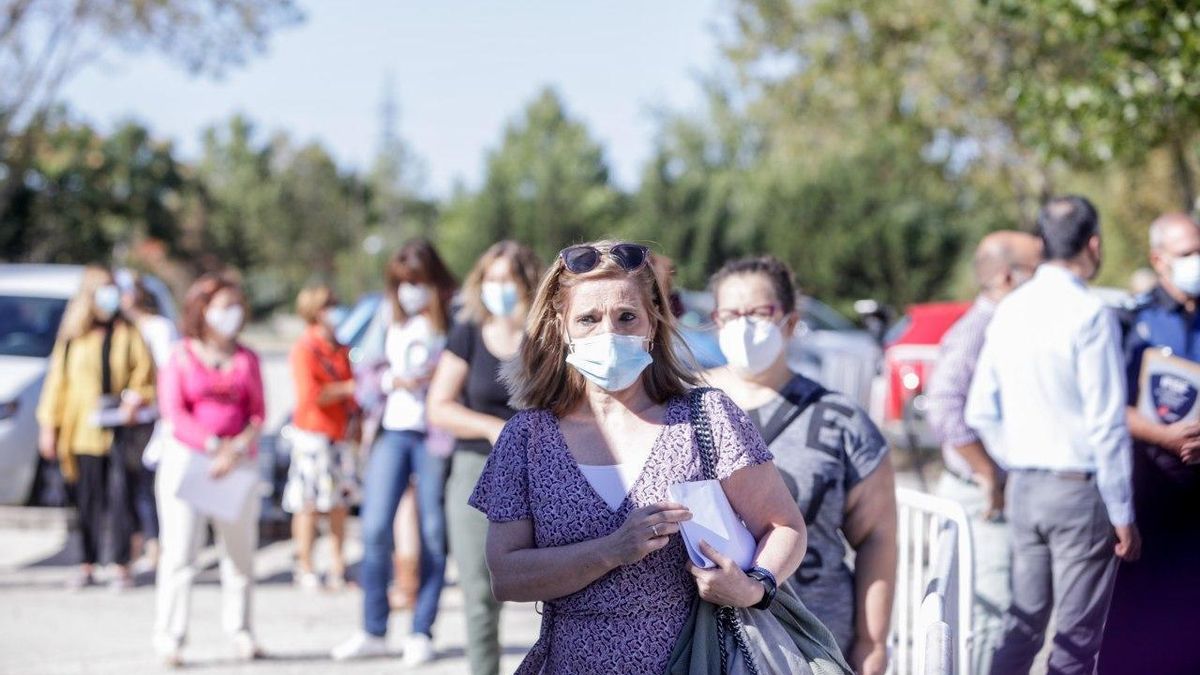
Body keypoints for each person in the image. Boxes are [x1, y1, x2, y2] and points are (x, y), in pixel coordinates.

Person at [470, 241, 808, 674]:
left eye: (626, 317)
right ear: (561, 326)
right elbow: (507, 576)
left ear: (652, 320)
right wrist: (612, 549)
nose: (608, 333)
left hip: (695, 659)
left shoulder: (705, 416)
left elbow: (784, 526)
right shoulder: (526, 438)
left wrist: (753, 586)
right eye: (588, 319)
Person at [965, 196, 1141, 675]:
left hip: (1025, 487)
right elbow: (1106, 421)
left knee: (1021, 626)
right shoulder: (1090, 312)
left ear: (1042, 244)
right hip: (1077, 489)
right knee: (1076, 639)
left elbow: (979, 409)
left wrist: (1017, 457)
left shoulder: (1009, 309)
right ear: (1094, 244)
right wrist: (1123, 510)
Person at [703, 255, 896, 675]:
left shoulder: (840, 420)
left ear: (790, 322)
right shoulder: (677, 408)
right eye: (731, 314)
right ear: (715, 321)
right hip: (704, 641)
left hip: (811, 642)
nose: (744, 325)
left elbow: (877, 539)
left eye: (759, 313)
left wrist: (871, 644)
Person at [332, 239, 457, 666]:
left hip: (434, 436)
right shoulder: (387, 318)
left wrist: (435, 377)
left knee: (433, 534)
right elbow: (362, 374)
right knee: (374, 528)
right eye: (403, 283)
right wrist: (391, 383)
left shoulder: (453, 320)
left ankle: (421, 629)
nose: (410, 291)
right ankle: (373, 627)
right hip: (392, 432)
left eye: (418, 282)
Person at [925, 231, 1042, 675]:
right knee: (987, 613)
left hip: (995, 490)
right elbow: (943, 406)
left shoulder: (1010, 326)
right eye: (1037, 269)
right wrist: (986, 472)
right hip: (978, 496)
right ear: (1010, 276)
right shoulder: (980, 329)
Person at [427, 241, 542, 675]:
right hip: (476, 468)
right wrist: (491, 428)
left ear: (527, 282)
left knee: (558, 588)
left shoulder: (546, 336)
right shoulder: (468, 332)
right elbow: (438, 406)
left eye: (507, 279)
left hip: (539, 469)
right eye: (490, 279)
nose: (498, 289)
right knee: (478, 592)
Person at [1100, 213, 1200, 674]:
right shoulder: (1132, 320)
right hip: (1150, 491)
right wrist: (1165, 436)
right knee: (1138, 621)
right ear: (1159, 260)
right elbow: (1109, 408)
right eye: (1188, 255)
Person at [153, 273, 265, 666]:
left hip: (237, 463)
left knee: (239, 556)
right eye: (222, 306)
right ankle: (171, 637)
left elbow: (257, 412)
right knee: (180, 554)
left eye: (236, 306)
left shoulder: (247, 358)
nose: (231, 315)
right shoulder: (181, 356)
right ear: (203, 310)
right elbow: (174, 413)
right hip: (190, 462)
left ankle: (241, 631)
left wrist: (235, 449)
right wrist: (212, 446)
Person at [37, 265, 157, 591]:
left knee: (120, 498)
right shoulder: (73, 338)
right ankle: (87, 563)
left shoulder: (128, 332)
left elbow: (145, 375)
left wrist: (135, 399)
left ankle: (120, 565)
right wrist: (49, 427)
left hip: (120, 432)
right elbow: (56, 386)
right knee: (86, 500)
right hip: (81, 433)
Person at [283, 285, 358, 591]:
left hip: (339, 436)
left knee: (339, 504)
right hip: (312, 436)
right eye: (328, 305)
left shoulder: (340, 348)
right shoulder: (304, 349)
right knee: (309, 504)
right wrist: (348, 389)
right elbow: (310, 395)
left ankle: (338, 565)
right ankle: (306, 565)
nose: (334, 310)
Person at [117, 269, 180, 573]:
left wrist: (143, 399)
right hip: (122, 421)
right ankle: (135, 544)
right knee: (128, 486)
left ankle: (156, 546)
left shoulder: (160, 328)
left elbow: (169, 377)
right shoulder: (121, 330)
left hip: (152, 420)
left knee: (147, 485)